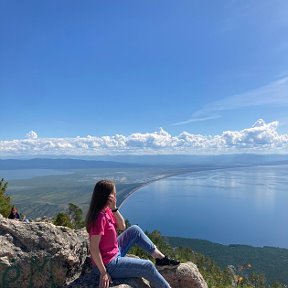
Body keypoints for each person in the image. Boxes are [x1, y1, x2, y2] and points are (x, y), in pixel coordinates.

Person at [86, 179, 180, 288]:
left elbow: (122, 226)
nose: (115, 196)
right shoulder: (99, 218)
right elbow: (93, 248)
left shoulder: (107, 210)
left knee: (134, 230)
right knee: (148, 266)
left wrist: (114, 209)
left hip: (114, 251)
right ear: (107, 196)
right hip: (109, 264)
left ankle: (160, 258)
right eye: (114, 194)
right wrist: (103, 272)